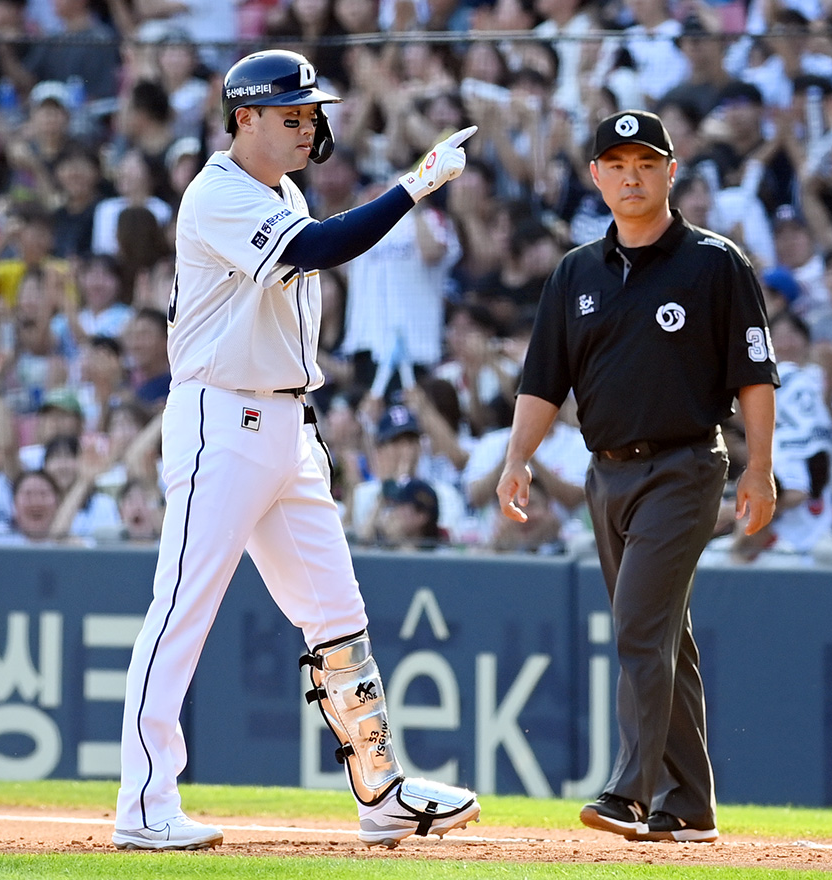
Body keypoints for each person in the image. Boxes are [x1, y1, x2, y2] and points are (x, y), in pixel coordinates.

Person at [113, 49, 480, 853]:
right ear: (244, 117)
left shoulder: (279, 189)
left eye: (313, 112)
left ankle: (380, 792)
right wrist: (415, 183)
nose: (310, 123)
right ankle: (144, 804)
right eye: (293, 113)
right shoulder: (217, 191)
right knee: (180, 613)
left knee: (339, 617)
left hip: (284, 423)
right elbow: (318, 250)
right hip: (220, 416)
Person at [496, 110, 779, 844]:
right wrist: (516, 458)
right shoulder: (574, 272)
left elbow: (754, 375)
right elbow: (543, 383)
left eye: (646, 162)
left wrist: (760, 469)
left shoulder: (715, 262)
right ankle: (689, 802)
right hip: (606, 474)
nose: (631, 175)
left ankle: (631, 791)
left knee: (638, 627)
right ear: (595, 176)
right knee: (662, 637)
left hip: (686, 466)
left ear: (671, 172)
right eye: (616, 163)